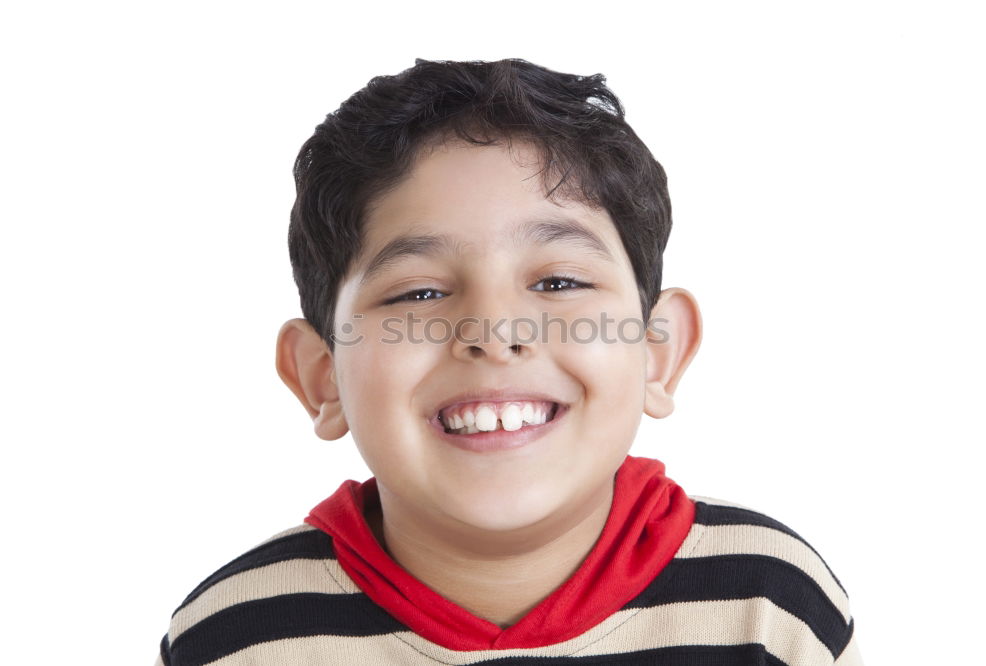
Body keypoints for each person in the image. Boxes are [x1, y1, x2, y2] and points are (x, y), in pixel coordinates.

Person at [155, 58, 862, 665]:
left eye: (558, 282)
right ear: (320, 377)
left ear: (658, 350)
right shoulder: (237, 636)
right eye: (419, 291)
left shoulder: (769, 605)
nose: (494, 333)